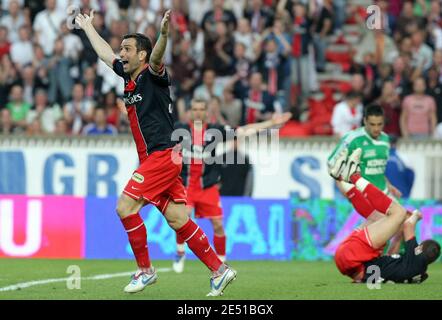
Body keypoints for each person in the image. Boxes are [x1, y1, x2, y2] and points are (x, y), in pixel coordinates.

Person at [75, 10, 236, 297]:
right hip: (159, 159)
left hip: (163, 155)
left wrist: (163, 34)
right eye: (121, 49)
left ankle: (146, 271)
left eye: (127, 49)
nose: (121, 53)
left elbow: (159, 56)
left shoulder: (153, 74)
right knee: (177, 219)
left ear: (142, 56)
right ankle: (219, 270)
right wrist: (88, 28)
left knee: (125, 207)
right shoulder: (128, 76)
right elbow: (104, 53)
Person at [172, 99, 291, 272]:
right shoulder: (179, 129)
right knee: (183, 217)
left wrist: (271, 123)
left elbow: (244, 130)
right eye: (195, 109)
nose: (198, 112)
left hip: (208, 186)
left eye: (201, 109)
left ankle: (221, 261)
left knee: (218, 224)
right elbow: (153, 126)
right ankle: (180, 252)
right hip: (186, 185)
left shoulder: (215, 131)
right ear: (190, 112)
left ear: (207, 112)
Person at [329, 148, 441, 283]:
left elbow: (408, 225)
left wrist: (416, 216)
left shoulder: (417, 257)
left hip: (353, 255)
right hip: (354, 267)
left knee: (399, 213)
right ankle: (339, 177)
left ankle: (354, 176)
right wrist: (398, 233)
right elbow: (391, 255)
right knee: (378, 218)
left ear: (420, 248)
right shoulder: (418, 271)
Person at [328, 104, 401, 197]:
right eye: (372, 124)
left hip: (383, 194)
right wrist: (346, 192)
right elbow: (332, 164)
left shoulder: (385, 139)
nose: (376, 129)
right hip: (362, 196)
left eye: (379, 124)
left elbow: (377, 169)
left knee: (407, 211)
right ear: (365, 121)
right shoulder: (352, 139)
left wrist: (389, 185)